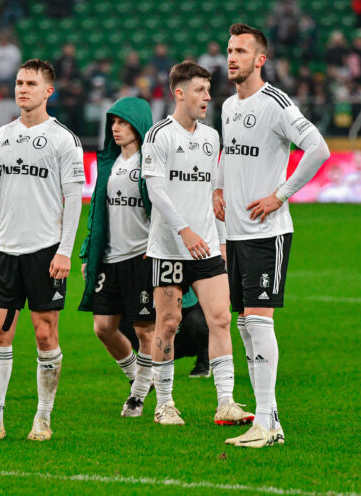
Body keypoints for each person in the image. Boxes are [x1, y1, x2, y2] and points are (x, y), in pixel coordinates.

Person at [215, 24, 330, 447]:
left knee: (259, 323)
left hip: (268, 232)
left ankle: (266, 424)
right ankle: (269, 419)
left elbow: (318, 148)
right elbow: (229, 153)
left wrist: (280, 195)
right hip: (236, 233)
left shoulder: (276, 103)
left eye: (241, 51)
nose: (232, 58)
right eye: (229, 50)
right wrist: (217, 188)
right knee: (245, 323)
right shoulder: (228, 106)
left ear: (259, 59)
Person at [0, 59, 84, 443]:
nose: (22, 89)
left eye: (31, 83)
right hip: (6, 252)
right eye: (18, 82)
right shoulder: (1, 136)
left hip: (45, 251)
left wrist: (65, 250)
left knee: (45, 336)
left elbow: (74, 197)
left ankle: (43, 418)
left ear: (49, 91)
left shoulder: (64, 139)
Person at [141, 61, 251, 427]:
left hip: (205, 247)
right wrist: (184, 230)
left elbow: (210, 195)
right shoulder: (159, 136)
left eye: (208, 90)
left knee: (220, 319)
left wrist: (219, 242)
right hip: (169, 247)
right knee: (168, 323)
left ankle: (226, 402)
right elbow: (155, 191)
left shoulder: (211, 137)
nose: (207, 97)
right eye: (200, 90)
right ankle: (165, 404)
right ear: (179, 93)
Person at [78, 97, 155, 417]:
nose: (116, 128)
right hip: (110, 259)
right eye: (113, 122)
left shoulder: (150, 164)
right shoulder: (108, 164)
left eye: (123, 122)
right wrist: (87, 254)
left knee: (144, 330)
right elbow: (98, 210)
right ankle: (140, 378)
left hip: (141, 257)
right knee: (103, 327)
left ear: (138, 126)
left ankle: (137, 397)